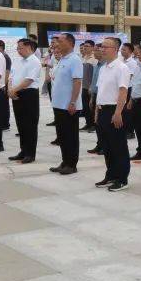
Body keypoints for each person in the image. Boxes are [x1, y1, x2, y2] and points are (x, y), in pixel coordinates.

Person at [95, 37, 132, 191]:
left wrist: (118, 113)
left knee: (118, 146)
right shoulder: (104, 68)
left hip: (114, 110)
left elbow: (123, 91)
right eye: (101, 47)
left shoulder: (121, 68)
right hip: (103, 110)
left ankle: (122, 178)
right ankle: (111, 174)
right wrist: (97, 111)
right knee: (107, 145)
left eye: (105, 47)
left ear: (115, 49)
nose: (102, 49)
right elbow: (100, 91)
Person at [49, 33, 83, 175]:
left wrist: (73, 102)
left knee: (71, 136)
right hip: (59, 105)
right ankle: (65, 161)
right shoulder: (62, 59)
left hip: (69, 105)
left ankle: (71, 164)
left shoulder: (74, 59)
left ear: (69, 43)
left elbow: (77, 81)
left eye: (60, 41)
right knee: (62, 135)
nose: (56, 44)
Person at [8, 38, 41, 164]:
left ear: (29, 47)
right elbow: (11, 76)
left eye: (20, 48)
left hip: (29, 95)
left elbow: (29, 80)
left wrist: (14, 90)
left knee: (30, 125)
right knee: (20, 124)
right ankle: (23, 151)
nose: (18, 50)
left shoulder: (34, 61)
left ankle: (30, 154)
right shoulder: (17, 61)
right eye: (17, 48)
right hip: (16, 93)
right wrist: (10, 90)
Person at [87, 44, 106, 155]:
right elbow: (94, 83)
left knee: (103, 124)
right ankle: (99, 145)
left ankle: (104, 146)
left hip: (103, 99)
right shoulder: (97, 65)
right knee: (97, 124)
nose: (94, 53)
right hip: (95, 97)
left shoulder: (105, 66)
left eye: (96, 51)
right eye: (94, 51)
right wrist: (92, 98)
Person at [121, 42, 139, 139]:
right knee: (123, 111)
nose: (122, 51)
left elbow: (130, 77)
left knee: (128, 111)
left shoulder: (132, 62)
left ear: (130, 51)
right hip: (123, 88)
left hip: (129, 88)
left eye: (124, 49)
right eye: (122, 49)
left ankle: (130, 131)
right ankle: (125, 129)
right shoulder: (122, 61)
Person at [80, 40, 97, 131]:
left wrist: (92, 86)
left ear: (92, 47)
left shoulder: (94, 58)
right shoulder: (84, 57)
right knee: (85, 106)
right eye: (84, 46)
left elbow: (94, 75)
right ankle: (88, 123)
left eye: (87, 46)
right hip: (84, 86)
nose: (85, 48)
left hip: (91, 87)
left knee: (92, 107)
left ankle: (93, 124)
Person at [0, 40, 13, 131]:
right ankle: (0, 122)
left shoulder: (6, 57)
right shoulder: (0, 57)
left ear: (1, 47)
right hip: (0, 84)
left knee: (4, 105)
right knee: (0, 105)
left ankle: (5, 124)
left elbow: (7, 73)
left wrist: (3, 85)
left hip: (3, 85)